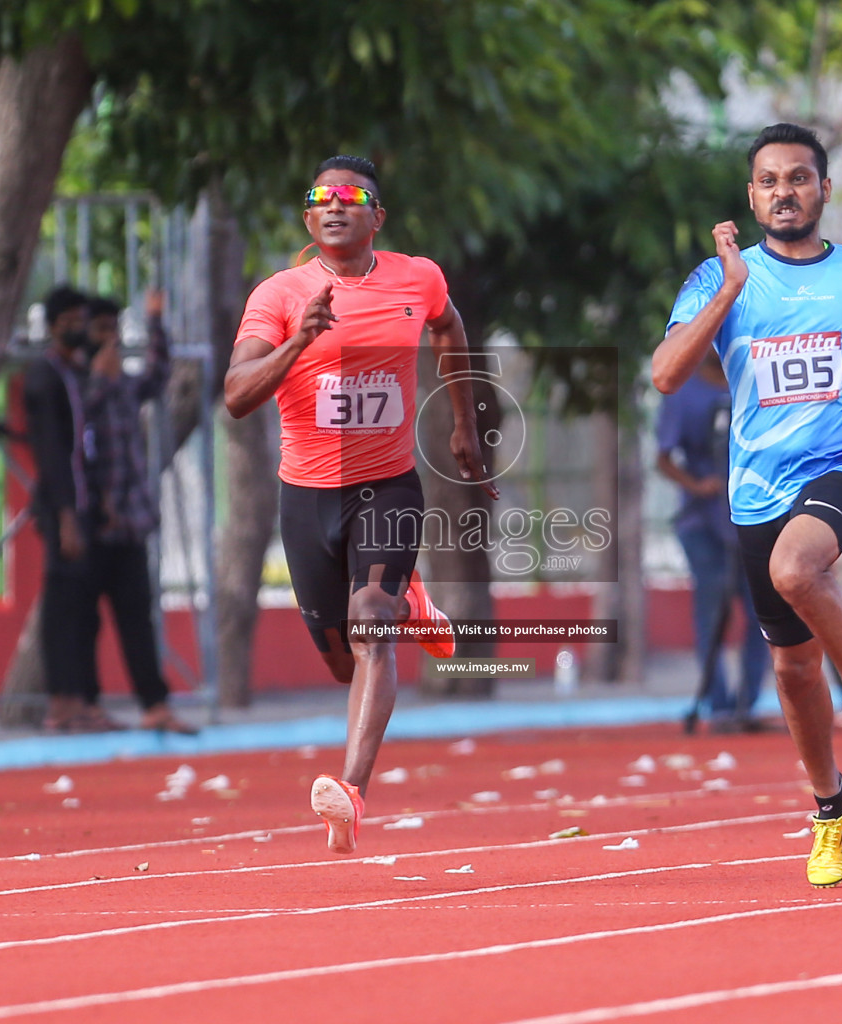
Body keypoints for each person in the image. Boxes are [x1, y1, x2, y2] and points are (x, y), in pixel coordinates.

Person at [652, 123, 842, 887]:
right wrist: (727, 290)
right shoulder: (718, 277)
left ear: (824, 189)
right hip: (757, 486)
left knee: (798, 567)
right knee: (791, 671)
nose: (783, 191)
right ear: (751, 196)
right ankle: (832, 806)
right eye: (768, 180)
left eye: (798, 177)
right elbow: (665, 375)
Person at [224, 155, 497, 854]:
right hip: (306, 494)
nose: (336, 205)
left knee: (370, 625)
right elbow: (236, 395)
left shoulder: (418, 277)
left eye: (354, 197)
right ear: (308, 218)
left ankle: (349, 793)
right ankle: (408, 600)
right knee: (343, 660)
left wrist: (465, 423)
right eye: (322, 197)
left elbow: (449, 327)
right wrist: (299, 341)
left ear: (378, 217)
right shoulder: (280, 295)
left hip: (387, 486)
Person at [81, 291, 197, 734]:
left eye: (114, 331)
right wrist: (99, 380)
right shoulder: (80, 386)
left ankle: (155, 704)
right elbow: (76, 430)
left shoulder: (126, 386)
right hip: (93, 526)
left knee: (137, 619)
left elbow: (158, 375)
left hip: (129, 523)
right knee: (85, 622)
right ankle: (87, 704)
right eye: (101, 332)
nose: (109, 341)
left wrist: (155, 323)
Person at [656, 348, 770, 732]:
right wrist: (697, 485)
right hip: (702, 522)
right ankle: (717, 704)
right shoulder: (682, 392)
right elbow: (663, 456)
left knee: (762, 613)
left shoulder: (753, 386)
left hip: (752, 519)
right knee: (712, 611)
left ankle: (746, 703)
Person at [23, 285, 120, 732]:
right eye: (75, 320)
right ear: (57, 323)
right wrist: (65, 516)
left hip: (83, 505)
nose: (82, 329)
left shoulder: (76, 372)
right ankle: (61, 701)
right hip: (63, 508)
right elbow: (51, 451)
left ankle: (83, 698)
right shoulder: (44, 375)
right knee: (62, 608)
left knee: (83, 610)